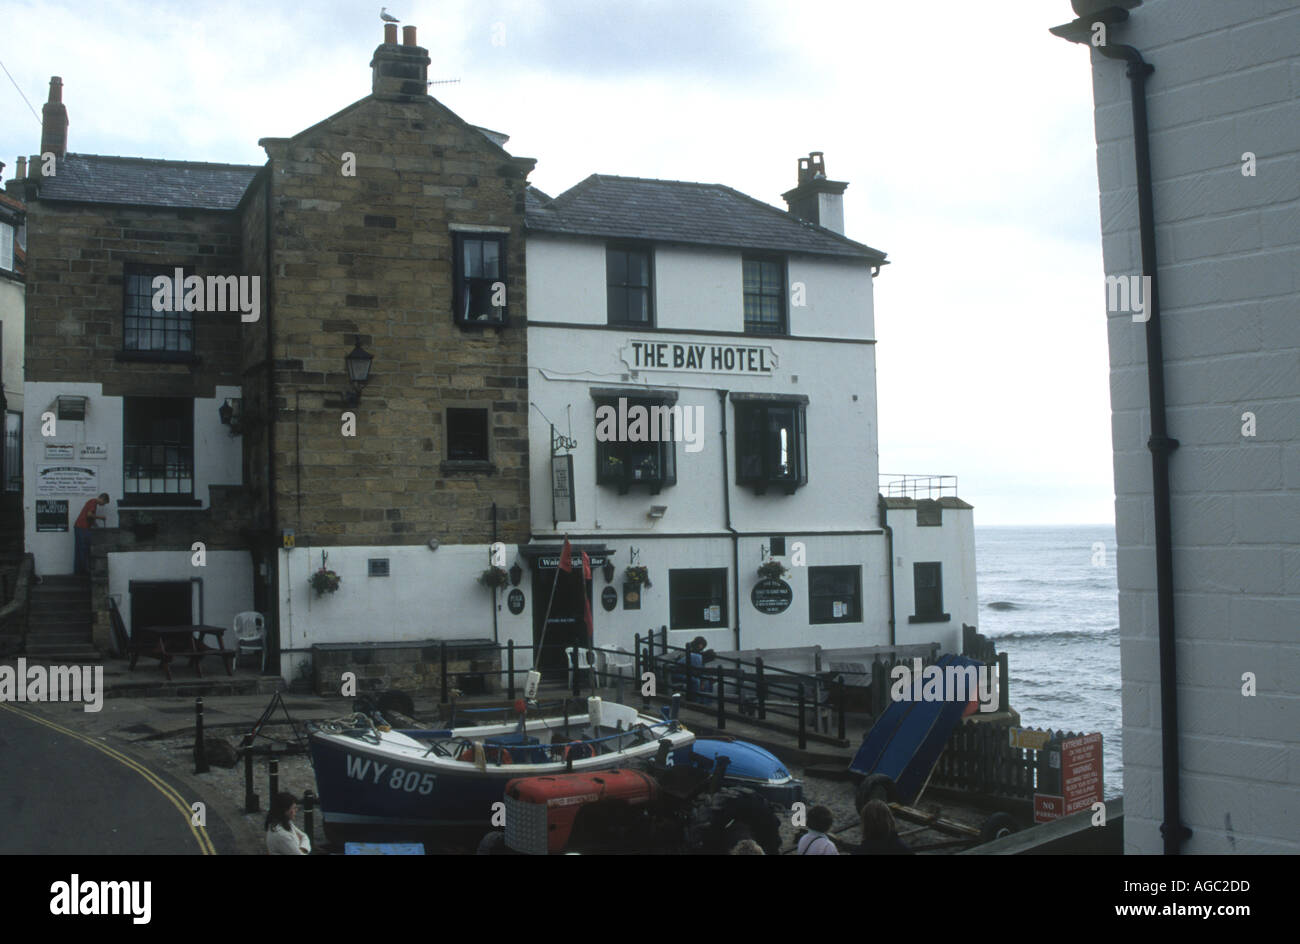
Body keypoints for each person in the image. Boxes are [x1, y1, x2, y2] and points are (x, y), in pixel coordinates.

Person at [73, 493, 110, 576]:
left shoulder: (91, 502)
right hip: (82, 527)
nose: (103, 505)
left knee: (80, 549)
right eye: (104, 503)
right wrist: (101, 518)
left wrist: (96, 526)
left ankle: (79, 570)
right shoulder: (93, 502)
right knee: (84, 548)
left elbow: (90, 518)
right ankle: (84, 570)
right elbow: (89, 515)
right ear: (102, 499)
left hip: (79, 527)